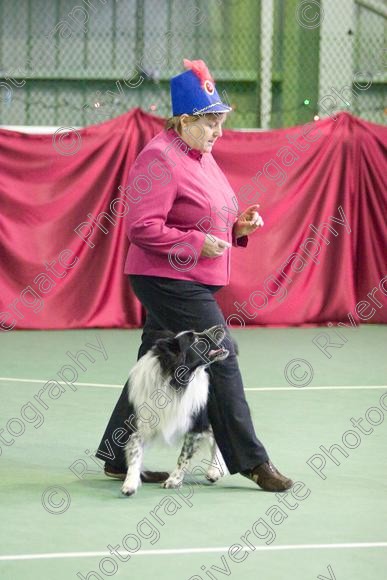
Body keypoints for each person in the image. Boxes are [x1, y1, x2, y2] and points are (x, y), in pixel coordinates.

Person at [96, 58, 293, 492]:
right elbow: (141, 227)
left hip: (190, 277)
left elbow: (206, 215)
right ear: (184, 121)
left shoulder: (201, 155)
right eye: (210, 123)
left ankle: (116, 455)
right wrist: (194, 244)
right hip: (166, 278)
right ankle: (252, 461)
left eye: (220, 121)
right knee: (221, 351)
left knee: (152, 360)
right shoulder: (158, 157)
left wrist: (237, 228)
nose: (218, 132)